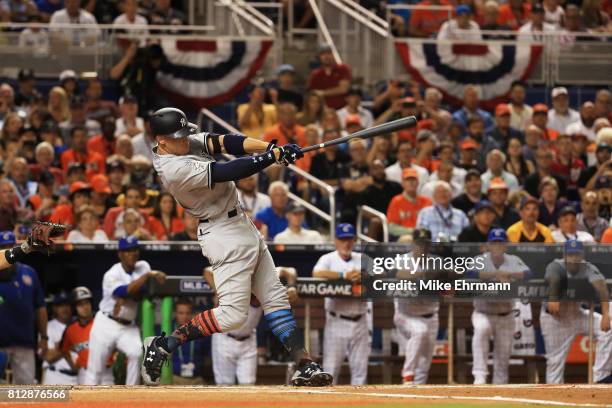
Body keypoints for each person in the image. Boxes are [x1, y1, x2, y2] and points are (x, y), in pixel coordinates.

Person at [141, 107, 332, 387]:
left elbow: (225, 142)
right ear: (161, 140)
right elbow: (228, 170)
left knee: (275, 298)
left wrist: (271, 147)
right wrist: (271, 158)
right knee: (232, 316)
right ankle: (163, 345)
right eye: (178, 137)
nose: (186, 139)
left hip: (240, 222)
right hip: (221, 232)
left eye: (185, 134)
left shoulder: (182, 144)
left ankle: (305, 364)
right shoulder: (173, 168)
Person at [86, 237, 165, 385]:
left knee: (136, 353)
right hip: (106, 324)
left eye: (134, 250)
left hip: (128, 325)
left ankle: (131, 394)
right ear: (120, 254)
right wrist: (146, 277)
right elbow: (123, 291)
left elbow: (141, 291)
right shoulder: (112, 274)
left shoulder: (143, 266)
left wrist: (133, 291)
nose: (132, 254)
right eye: (127, 251)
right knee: (95, 370)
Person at [541, 240, 612, 384]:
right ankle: (555, 397)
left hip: (576, 313)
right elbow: (554, 278)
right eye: (571, 254)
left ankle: (600, 378)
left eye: (577, 254)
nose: (574, 258)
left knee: (609, 328)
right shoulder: (556, 265)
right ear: (565, 255)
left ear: (582, 255)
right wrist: (553, 297)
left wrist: (606, 315)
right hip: (555, 319)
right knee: (555, 362)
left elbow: (602, 288)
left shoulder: (587, 267)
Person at [471, 228, 531, 384]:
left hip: (506, 314)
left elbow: (529, 273)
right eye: (494, 243)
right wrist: (495, 274)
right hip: (483, 312)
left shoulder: (513, 260)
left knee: (503, 357)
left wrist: (510, 274)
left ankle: (500, 386)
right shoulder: (481, 259)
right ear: (488, 245)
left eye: (500, 243)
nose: (497, 246)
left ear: (505, 246)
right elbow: (469, 273)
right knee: (482, 329)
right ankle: (479, 376)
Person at [312, 223, 368, 384]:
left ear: (354, 241)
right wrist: (344, 275)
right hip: (337, 320)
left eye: (349, 239)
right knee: (331, 370)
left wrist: (364, 275)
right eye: (342, 239)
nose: (346, 243)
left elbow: (382, 273)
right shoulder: (328, 259)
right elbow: (317, 273)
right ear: (336, 240)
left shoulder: (362, 258)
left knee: (360, 371)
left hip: (360, 321)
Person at [0, 231, 48, 384]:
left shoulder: (29, 273)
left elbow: (40, 307)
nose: (7, 249)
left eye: (10, 246)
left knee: (27, 392)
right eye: (3, 247)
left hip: (24, 341)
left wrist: (44, 337)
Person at [394, 228, 440, 384]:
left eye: (426, 244)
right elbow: (398, 273)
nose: (423, 248)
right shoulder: (402, 259)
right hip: (406, 314)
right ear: (413, 244)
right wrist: (424, 275)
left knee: (425, 362)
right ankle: (408, 375)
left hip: (431, 315)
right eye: (419, 244)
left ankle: (415, 393)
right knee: (419, 331)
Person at [204, 269, 261, 385]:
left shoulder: (263, 277)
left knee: (248, 384)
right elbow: (208, 271)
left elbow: (289, 271)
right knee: (224, 384)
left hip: (248, 340)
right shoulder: (233, 281)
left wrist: (291, 286)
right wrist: (218, 291)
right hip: (224, 338)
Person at [62, 286, 114, 385]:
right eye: (80, 305)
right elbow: (64, 351)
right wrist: (73, 366)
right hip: (85, 374)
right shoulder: (70, 329)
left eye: (87, 303)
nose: (85, 307)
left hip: (105, 373)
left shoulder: (103, 322)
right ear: (75, 308)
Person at [167, 298, 207, 385]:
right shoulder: (168, 330)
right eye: (181, 313)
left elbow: (206, 358)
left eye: (188, 313)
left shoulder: (200, 331)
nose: (184, 317)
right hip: (175, 379)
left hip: (197, 380)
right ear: (175, 314)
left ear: (192, 314)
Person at [387, 167, 433, 239]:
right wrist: (412, 231)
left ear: (418, 182)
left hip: (425, 237)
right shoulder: (396, 201)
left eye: (413, 179)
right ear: (402, 183)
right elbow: (391, 227)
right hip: (404, 237)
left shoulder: (427, 201)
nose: (411, 182)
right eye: (407, 180)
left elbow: (432, 224)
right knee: (408, 238)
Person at [42, 292, 77, 385]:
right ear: (54, 308)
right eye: (60, 305)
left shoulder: (80, 326)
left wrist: (59, 347)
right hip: (56, 377)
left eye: (67, 305)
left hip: (78, 379)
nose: (65, 309)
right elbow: (49, 357)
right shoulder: (48, 327)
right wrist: (69, 345)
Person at [308, 44, 352, 110]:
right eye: (323, 54)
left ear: (333, 54)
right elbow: (314, 93)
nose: (326, 56)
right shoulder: (316, 74)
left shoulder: (343, 68)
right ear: (319, 57)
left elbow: (343, 89)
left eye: (328, 53)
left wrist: (323, 93)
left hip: (342, 110)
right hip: (323, 111)